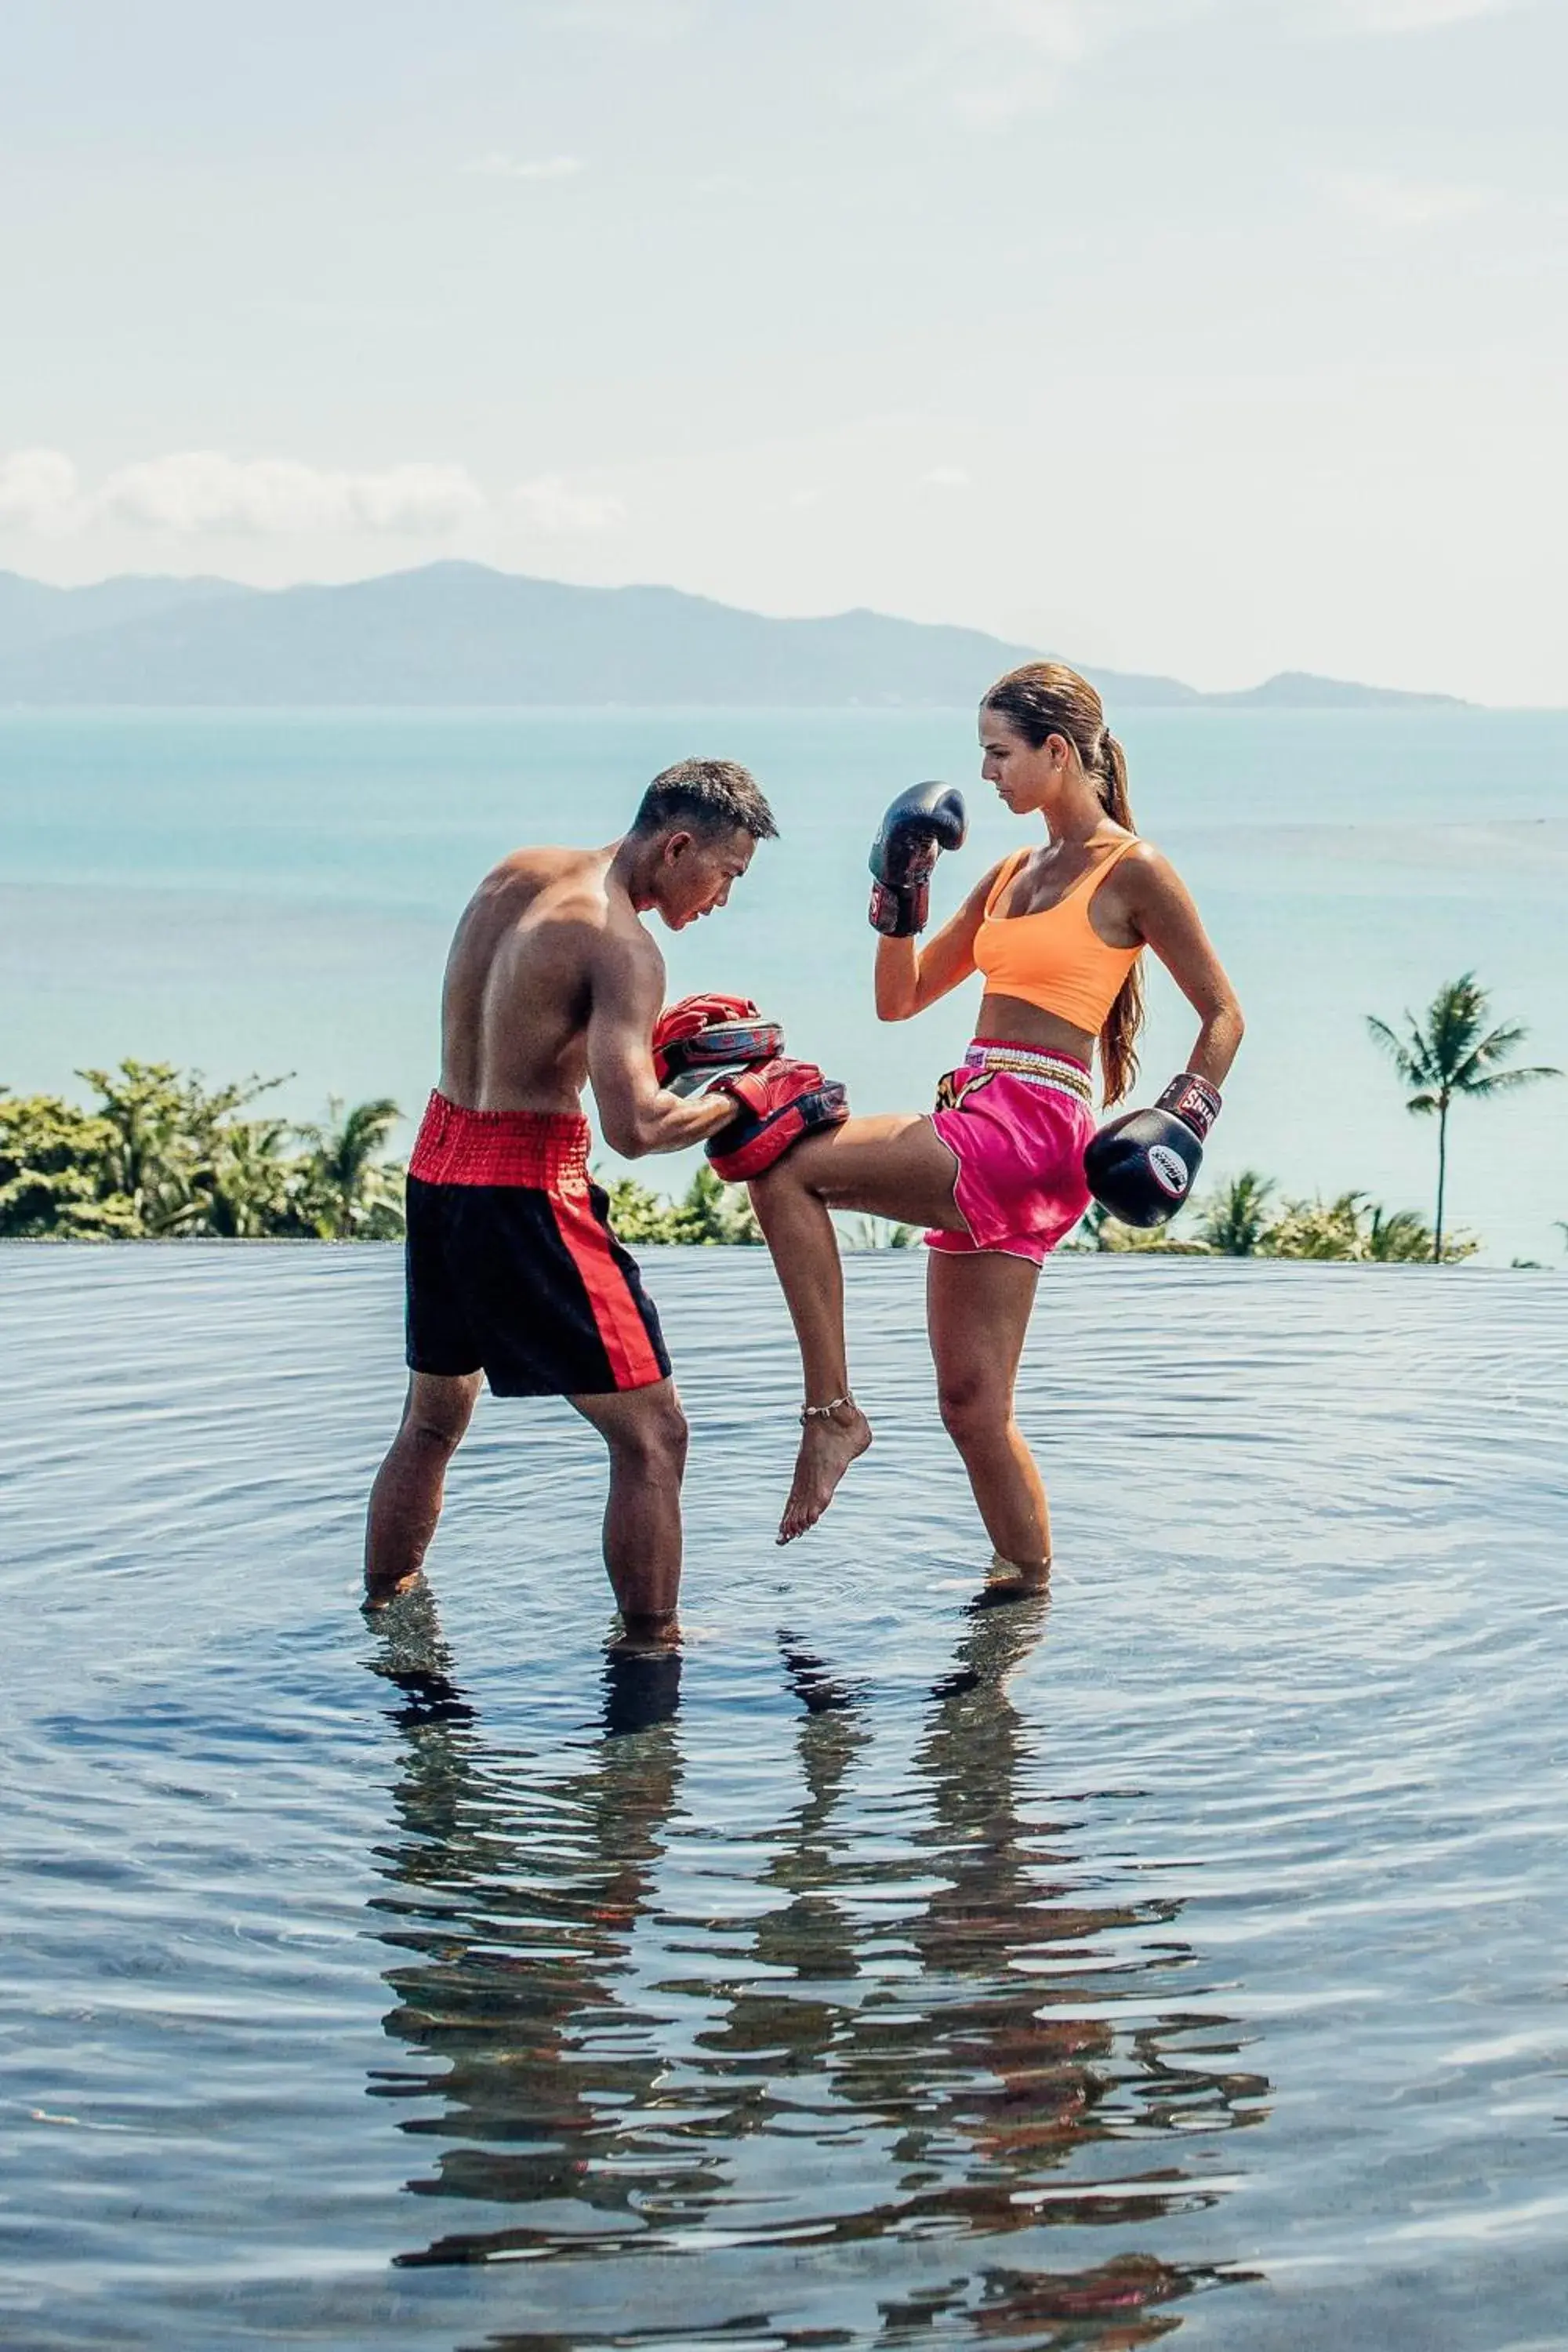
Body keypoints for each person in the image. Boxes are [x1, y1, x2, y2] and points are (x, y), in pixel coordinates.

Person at [747, 661, 1244, 1570]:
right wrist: (898, 888)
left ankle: (831, 1415)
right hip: (980, 1115)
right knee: (973, 1409)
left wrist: (1182, 1118)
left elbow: (1223, 1013)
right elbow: (897, 1000)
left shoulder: (1134, 870)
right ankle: (1025, 1594)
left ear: (1057, 752)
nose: (985, 774)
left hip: (1031, 1129)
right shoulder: (1011, 871)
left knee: (785, 1164)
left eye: (999, 753)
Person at [363, 757, 779, 1643]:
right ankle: (649, 1655)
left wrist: (640, 1036)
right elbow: (633, 1128)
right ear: (676, 847)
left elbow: (524, 1020)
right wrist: (751, 1097)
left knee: (433, 1418)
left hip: (438, 1169)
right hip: (523, 1194)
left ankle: (386, 1611)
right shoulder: (624, 946)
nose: (722, 899)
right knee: (655, 1437)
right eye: (726, 874)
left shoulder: (517, 872)